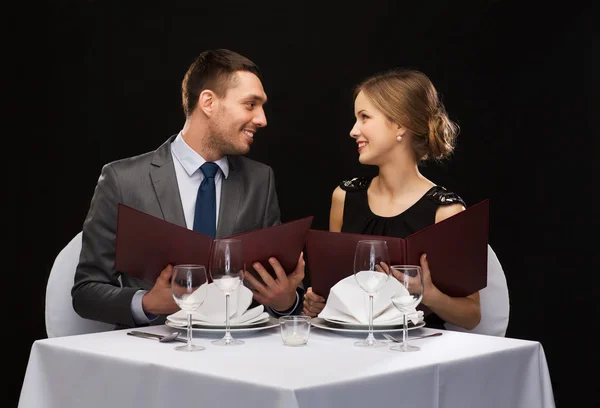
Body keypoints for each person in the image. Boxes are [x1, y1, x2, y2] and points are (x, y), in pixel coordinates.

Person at [72, 49, 304, 328]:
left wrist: (286, 302)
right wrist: (147, 303)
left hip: (236, 353)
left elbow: (276, 285)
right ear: (208, 102)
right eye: (250, 104)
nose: (262, 119)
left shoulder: (260, 180)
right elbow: (86, 292)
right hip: (153, 356)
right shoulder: (122, 180)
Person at [303, 68, 481, 330]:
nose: (354, 130)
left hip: (414, 354)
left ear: (400, 124)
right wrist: (319, 303)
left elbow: (472, 315)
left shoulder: (446, 211)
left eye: (364, 117)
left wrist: (429, 295)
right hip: (349, 348)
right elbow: (338, 294)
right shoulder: (344, 197)